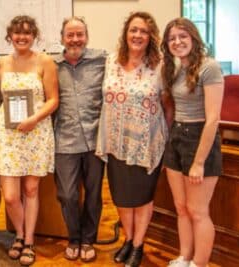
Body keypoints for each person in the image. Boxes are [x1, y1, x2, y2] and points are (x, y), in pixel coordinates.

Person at [95, 11, 168, 267]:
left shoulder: (160, 65)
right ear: (126, 33)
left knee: (142, 196)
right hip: (116, 141)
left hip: (146, 143)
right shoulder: (111, 60)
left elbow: (168, 103)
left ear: (151, 37)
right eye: (133, 30)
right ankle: (127, 239)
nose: (137, 35)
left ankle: (138, 244)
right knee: (122, 196)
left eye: (143, 31)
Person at [0, 15, 59, 266]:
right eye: (17, 33)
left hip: (36, 130)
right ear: (10, 36)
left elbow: (53, 99)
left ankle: (27, 240)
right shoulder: (0, 63)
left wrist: (34, 119)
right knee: (10, 195)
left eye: (27, 33)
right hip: (8, 133)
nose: (22, 37)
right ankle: (19, 233)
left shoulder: (45, 61)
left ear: (34, 36)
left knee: (31, 190)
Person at [161, 18, 224, 267]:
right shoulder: (176, 69)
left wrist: (198, 162)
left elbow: (213, 119)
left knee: (198, 211)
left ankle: (200, 263)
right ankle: (185, 257)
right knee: (181, 207)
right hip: (177, 136)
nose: (177, 42)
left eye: (182, 36)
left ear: (194, 38)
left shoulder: (209, 68)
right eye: (172, 38)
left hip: (200, 139)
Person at [53, 17, 107, 262]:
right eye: (70, 35)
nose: (75, 39)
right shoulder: (52, 65)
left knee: (94, 194)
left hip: (96, 139)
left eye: (80, 34)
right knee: (67, 194)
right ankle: (73, 236)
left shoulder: (103, 60)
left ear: (87, 35)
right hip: (64, 139)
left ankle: (88, 239)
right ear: (62, 37)